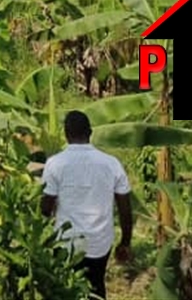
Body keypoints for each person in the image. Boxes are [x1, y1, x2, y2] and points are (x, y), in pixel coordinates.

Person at [39, 110, 133, 300]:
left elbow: (45, 207)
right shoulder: (111, 163)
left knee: (66, 289)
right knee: (96, 286)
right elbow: (125, 208)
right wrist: (125, 243)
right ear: (90, 133)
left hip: (66, 243)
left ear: (66, 134)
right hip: (99, 243)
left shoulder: (55, 164)